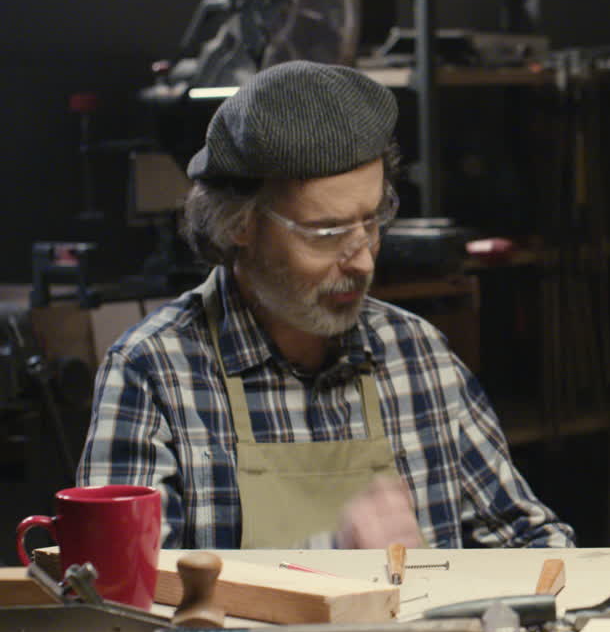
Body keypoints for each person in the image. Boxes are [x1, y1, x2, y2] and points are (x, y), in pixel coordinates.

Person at [79, 60, 575, 550]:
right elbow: (118, 600)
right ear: (238, 224)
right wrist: (339, 558)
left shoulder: (418, 355)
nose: (361, 261)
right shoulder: (153, 373)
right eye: (327, 232)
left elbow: (531, 538)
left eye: (372, 221)